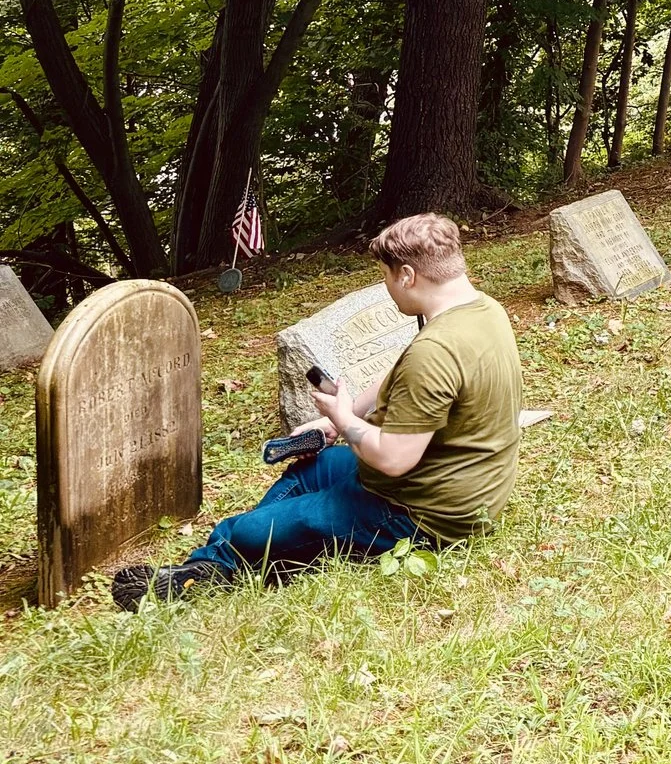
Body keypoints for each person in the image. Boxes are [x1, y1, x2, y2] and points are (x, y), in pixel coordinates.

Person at [115, 214, 523, 608]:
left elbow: (395, 459)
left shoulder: (435, 351)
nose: (387, 286)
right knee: (309, 471)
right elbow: (405, 369)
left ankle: (220, 561)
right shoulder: (480, 310)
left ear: (407, 276)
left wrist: (346, 419)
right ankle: (234, 557)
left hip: (423, 515)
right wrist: (333, 422)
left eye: (385, 276)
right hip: (458, 482)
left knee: (242, 530)